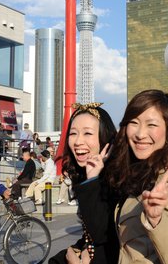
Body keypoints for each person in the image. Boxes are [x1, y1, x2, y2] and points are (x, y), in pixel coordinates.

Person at [77, 90, 168, 263]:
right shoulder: (137, 171)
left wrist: (156, 220)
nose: (140, 134)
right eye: (134, 123)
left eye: (152, 125)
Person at [49, 102, 118, 264]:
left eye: (87, 133)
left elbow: (103, 235)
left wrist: (93, 180)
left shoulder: (118, 179)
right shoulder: (83, 174)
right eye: (73, 133)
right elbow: (90, 235)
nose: (78, 141)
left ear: (105, 138)